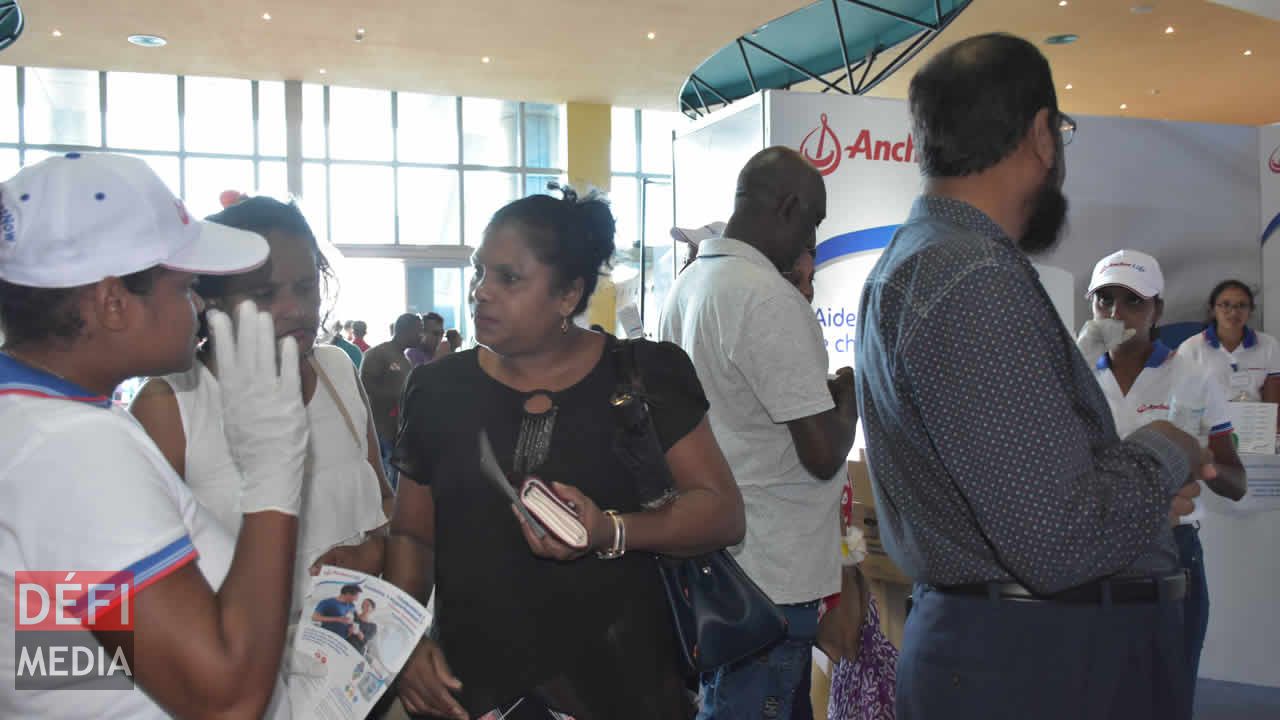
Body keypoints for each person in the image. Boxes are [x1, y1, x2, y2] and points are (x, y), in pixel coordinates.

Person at [853, 34, 1213, 720]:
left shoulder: (928, 263)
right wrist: (1166, 449)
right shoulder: (971, 277)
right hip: (1045, 664)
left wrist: (1129, 505)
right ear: (1043, 135)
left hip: (1016, 652)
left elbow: (1033, 501)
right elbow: (1058, 537)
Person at [384, 187, 744, 720]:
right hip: (475, 693)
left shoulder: (645, 375)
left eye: (508, 279)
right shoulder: (437, 390)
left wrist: (610, 530)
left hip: (625, 689)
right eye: (480, 271)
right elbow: (412, 534)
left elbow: (721, 512)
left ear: (568, 295)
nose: (481, 292)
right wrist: (405, 642)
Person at [0, 152, 304, 718]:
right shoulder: (71, 447)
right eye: (185, 287)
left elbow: (38, 651)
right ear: (114, 302)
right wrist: (271, 477)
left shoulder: (36, 419)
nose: (196, 307)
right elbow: (227, 700)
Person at [659, 146, 859, 720]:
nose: (808, 244)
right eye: (813, 224)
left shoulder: (691, 284)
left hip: (720, 571)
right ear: (791, 207)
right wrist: (848, 396)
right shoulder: (767, 297)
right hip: (771, 577)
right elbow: (821, 453)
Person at [130, 196, 392, 614]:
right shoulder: (172, 403)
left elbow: (382, 505)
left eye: (306, 287)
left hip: (352, 656)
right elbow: (141, 584)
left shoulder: (337, 369)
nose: (297, 309)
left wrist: (369, 555)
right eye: (264, 294)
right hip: (239, 664)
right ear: (213, 302)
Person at [1084, 250, 1247, 714]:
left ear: (1157, 308)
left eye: (1132, 302)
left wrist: (1201, 464)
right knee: (1095, 695)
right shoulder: (1076, 378)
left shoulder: (1193, 377)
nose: (1116, 314)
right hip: (1095, 553)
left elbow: (1235, 481)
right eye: (1104, 300)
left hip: (1172, 555)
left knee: (1167, 697)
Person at [1179, 279, 1280, 406]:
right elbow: (1183, 401)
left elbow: (1273, 405)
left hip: (1254, 423)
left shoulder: (1268, 345)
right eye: (1225, 305)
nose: (1233, 312)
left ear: (1251, 310)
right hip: (1207, 424)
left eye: (1242, 305)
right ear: (1212, 310)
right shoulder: (1191, 348)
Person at [362, 312, 424, 489]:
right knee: (384, 483)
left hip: (396, 430)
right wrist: (399, 395)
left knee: (395, 482)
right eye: (418, 331)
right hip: (380, 430)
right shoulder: (378, 354)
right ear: (406, 330)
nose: (421, 336)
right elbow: (365, 386)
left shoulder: (404, 359)